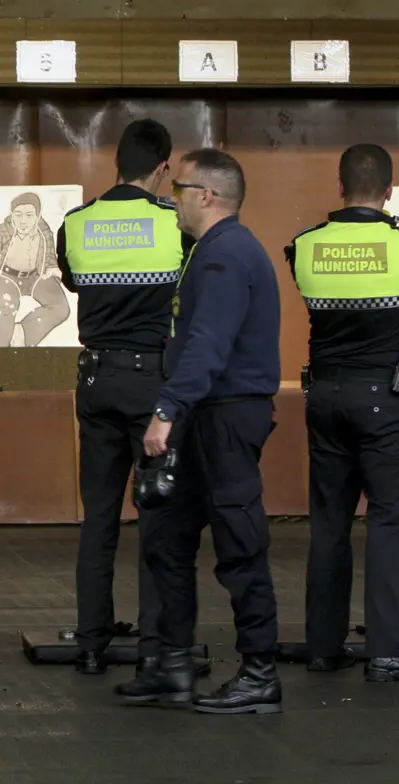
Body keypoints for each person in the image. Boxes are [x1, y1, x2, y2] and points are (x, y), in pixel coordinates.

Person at [115, 148, 283, 715]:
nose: (172, 199)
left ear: (206, 195)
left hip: (224, 415)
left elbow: (208, 342)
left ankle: (260, 674)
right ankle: (174, 667)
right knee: (168, 539)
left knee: (239, 545)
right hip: (203, 414)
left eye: (179, 189)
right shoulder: (210, 251)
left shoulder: (225, 255)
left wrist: (166, 411)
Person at [284, 143, 399, 683]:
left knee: (329, 524)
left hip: (325, 399)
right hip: (386, 402)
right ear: (390, 191)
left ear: (339, 187)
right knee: (387, 524)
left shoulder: (305, 246)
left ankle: (325, 647)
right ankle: (387, 650)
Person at [56, 118, 195, 675]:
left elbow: (71, 280)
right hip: (152, 382)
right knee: (157, 512)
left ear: (116, 162)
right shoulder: (173, 223)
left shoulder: (77, 222)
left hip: (95, 379)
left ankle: (91, 642)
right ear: (163, 168)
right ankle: (155, 643)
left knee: (99, 517)